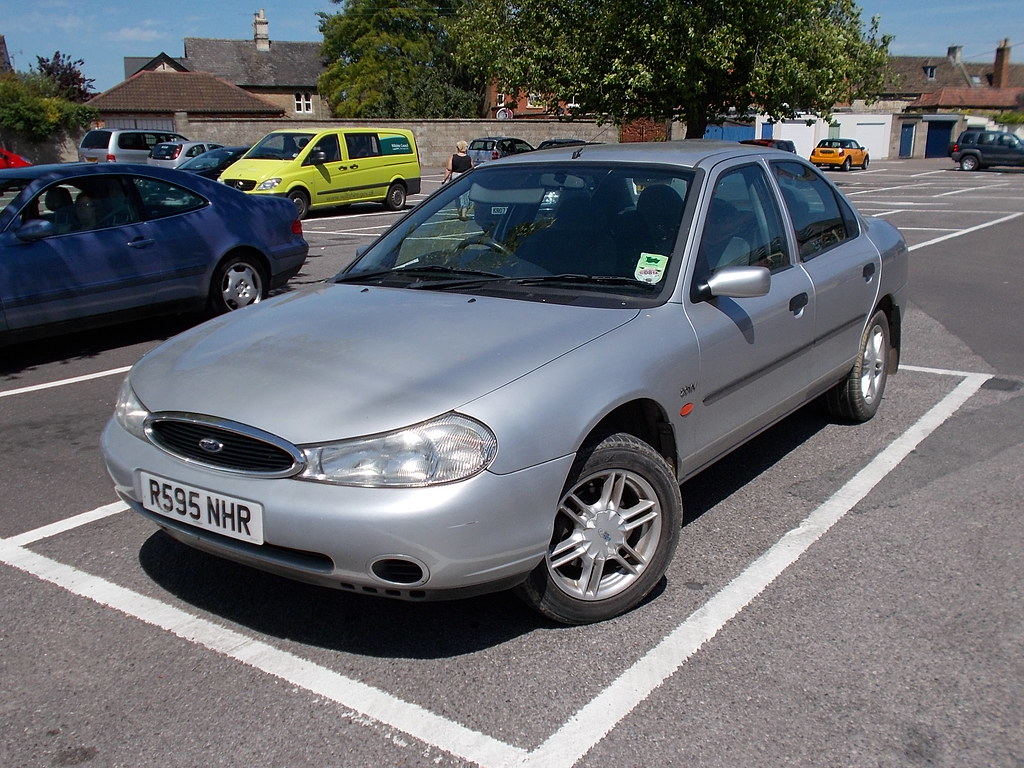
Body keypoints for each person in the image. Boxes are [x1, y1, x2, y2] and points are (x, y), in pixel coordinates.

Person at [442, 140, 474, 220]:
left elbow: (449, 169)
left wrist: (444, 179)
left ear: (458, 148)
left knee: (457, 196)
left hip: (455, 177)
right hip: (466, 177)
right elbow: (472, 168)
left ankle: (459, 212)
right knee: (466, 195)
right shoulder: (468, 158)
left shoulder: (453, 157)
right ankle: (464, 214)